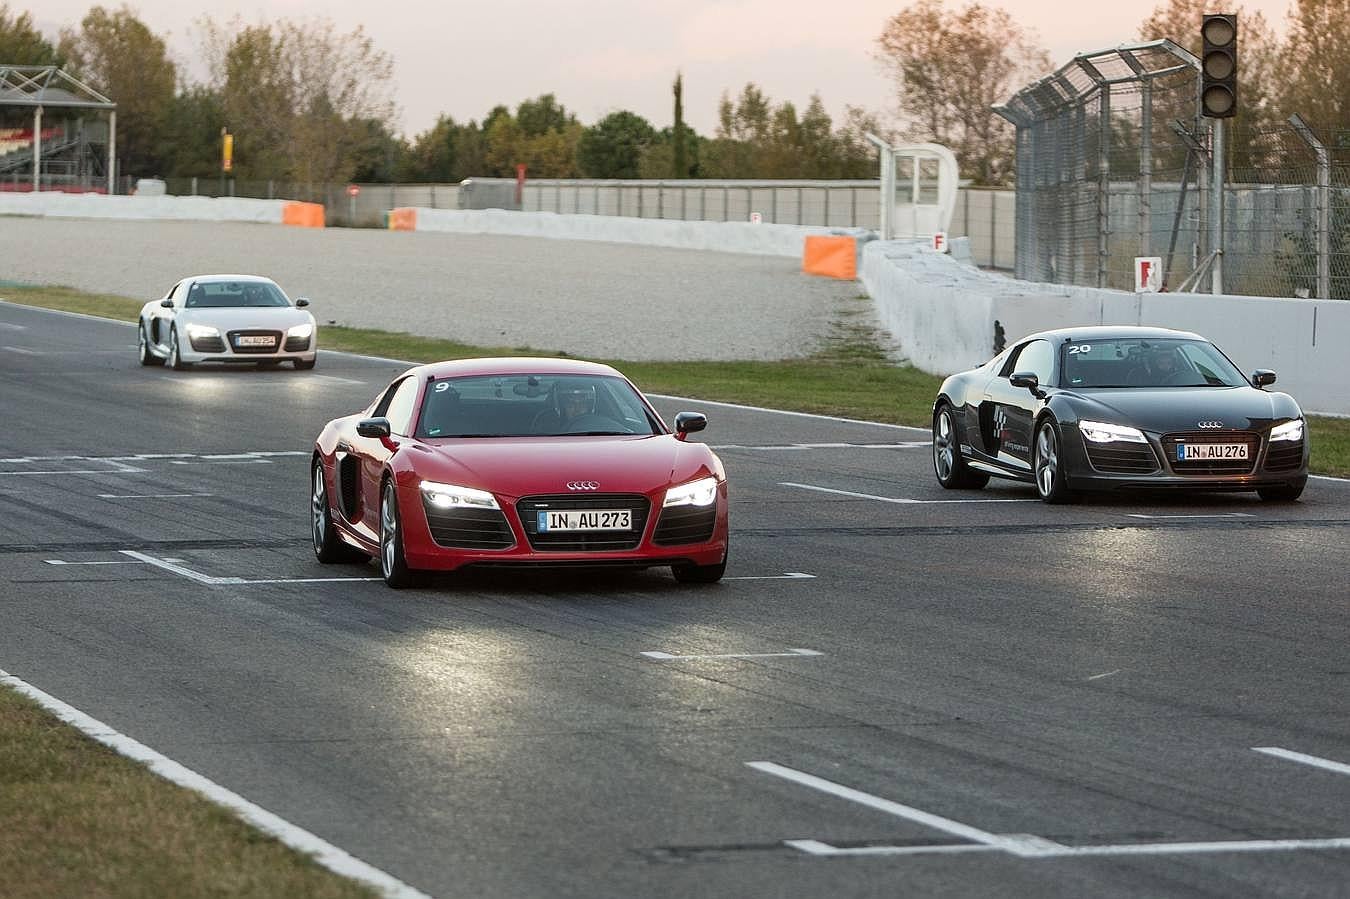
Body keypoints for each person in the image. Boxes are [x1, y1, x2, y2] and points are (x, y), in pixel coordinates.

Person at [532, 380, 598, 433]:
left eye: (582, 404)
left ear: (590, 406)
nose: (577, 409)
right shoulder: (545, 425)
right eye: (571, 405)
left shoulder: (599, 426)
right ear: (562, 406)